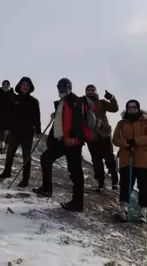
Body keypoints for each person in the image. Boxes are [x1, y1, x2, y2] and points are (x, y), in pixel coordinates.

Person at [32, 78, 92, 212]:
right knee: (46, 158)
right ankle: (47, 189)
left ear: (70, 87)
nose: (62, 89)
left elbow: (82, 124)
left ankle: (77, 203)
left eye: (65, 86)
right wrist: (56, 114)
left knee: (75, 172)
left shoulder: (76, 101)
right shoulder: (61, 102)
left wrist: (75, 139)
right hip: (60, 141)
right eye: (60, 87)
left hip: (72, 143)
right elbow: (64, 120)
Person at [112, 99, 147, 223]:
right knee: (125, 184)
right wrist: (125, 143)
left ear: (138, 108)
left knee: (144, 186)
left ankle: (143, 210)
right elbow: (115, 139)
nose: (132, 109)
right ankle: (123, 208)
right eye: (129, 107)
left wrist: (136, 141)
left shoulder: (146, 122)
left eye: (134, 107)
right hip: (127, 157)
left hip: (144, 159)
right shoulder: (121, 123)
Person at [0, 77, 41, 187]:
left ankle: (25, 179)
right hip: (15, 132)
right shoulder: (14, 99)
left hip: (27, 133)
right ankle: (7, 172)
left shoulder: (34, 101)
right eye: (23, 84)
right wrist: (7, 127)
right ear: (20, 86)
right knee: (10, 153)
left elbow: (36, 117)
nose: (25, 86)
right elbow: (9, 115)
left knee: (26, 157)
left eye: (27, 85)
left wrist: (38, 131)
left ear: (30, 88)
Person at [83, 84, 120, 191]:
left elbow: (115, 108)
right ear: (86, 92)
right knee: (96, 161)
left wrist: (112, 98)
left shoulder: (102, 102)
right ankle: (101, 184)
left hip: (104, 133)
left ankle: (115, 181)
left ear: (95, 91)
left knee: (109, 158)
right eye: (88, 90)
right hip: (91, 136)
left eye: (92, 89)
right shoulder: (83, 104)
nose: (90, 91)